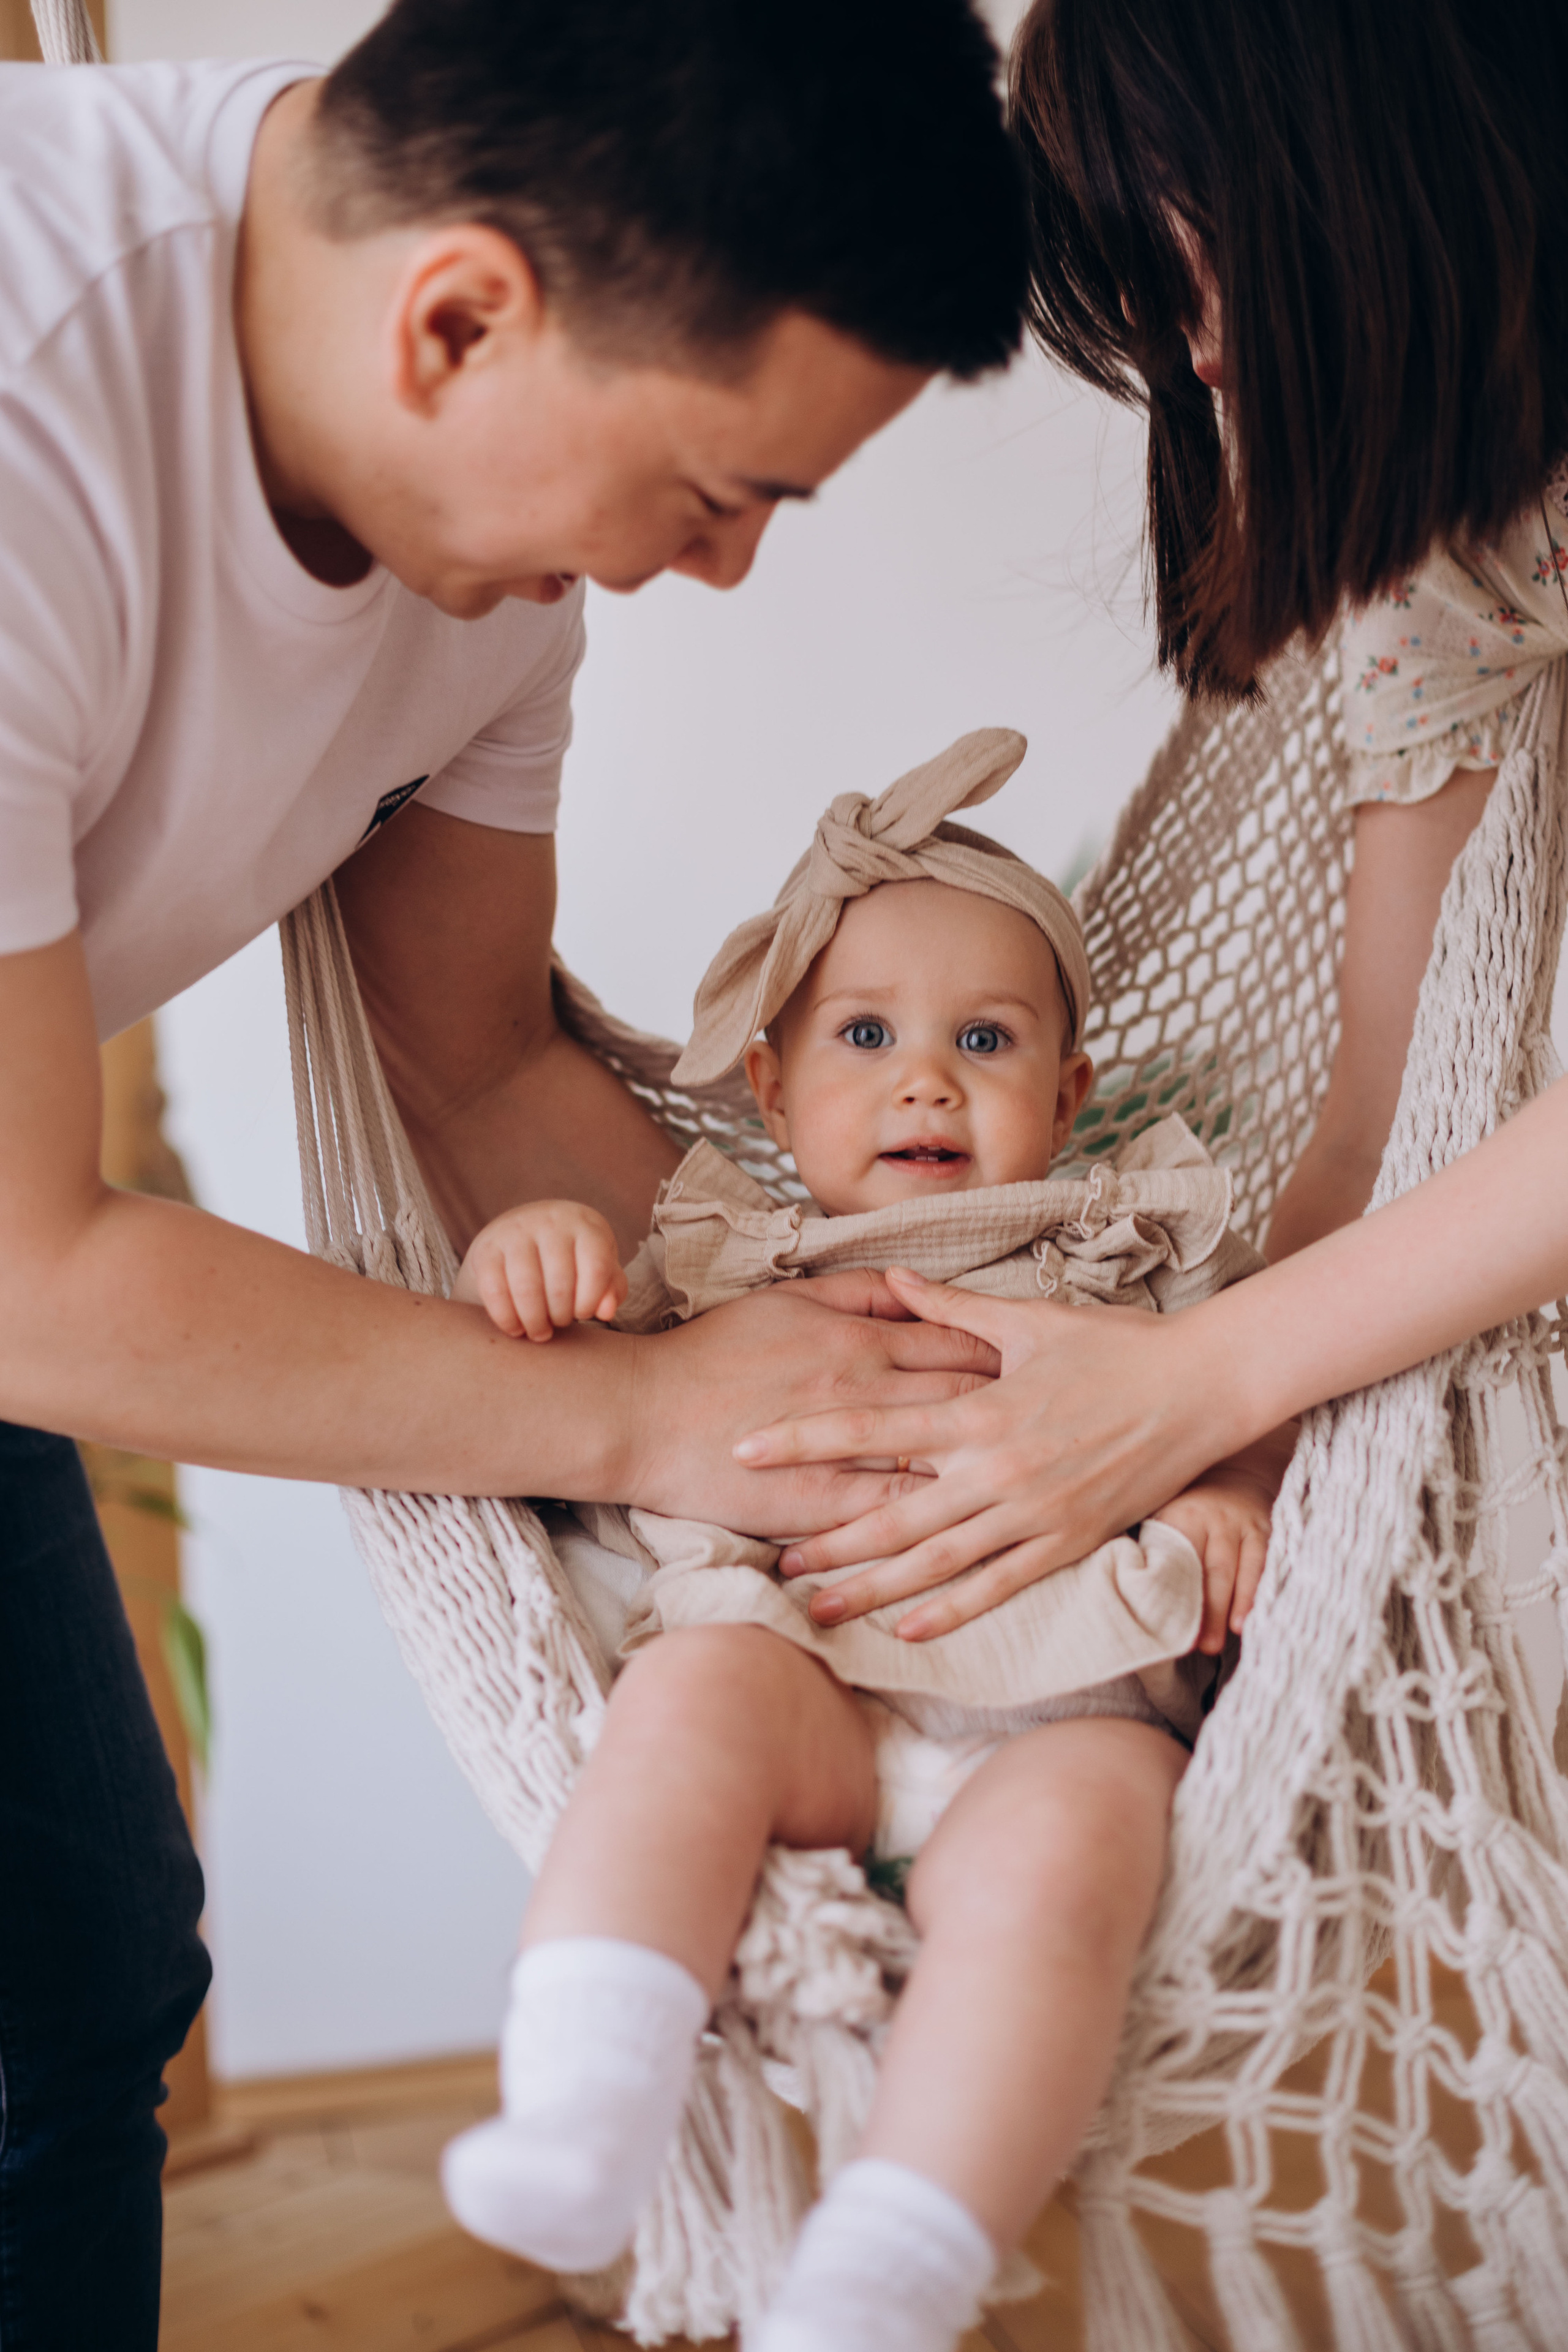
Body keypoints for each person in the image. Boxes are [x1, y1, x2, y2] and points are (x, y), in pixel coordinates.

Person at [0, 2, 1028, 2339]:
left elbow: (472, 1072)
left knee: (70, 1989)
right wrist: (652, 1417)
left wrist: (885, 1353)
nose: (735, 571)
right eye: (715, 491)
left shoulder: (496, 583)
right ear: (461, 315)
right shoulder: (31, 406)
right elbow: (23, 1282)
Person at [433, 732, 1289, 2352]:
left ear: (1073, 1095)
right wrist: (539, 1243)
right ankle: (583, 2102)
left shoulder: (1127, 1244)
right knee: (683, 1706)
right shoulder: (724, 1248)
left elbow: (1248, 1384)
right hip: (809, 1689)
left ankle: (893, 2264)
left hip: (1064, 1716)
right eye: (868, 1035)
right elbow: (581, 1347)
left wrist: (1232, 1489)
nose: (925, 1078)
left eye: (985, 1039)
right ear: (770, 1083)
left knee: (1072, 1866)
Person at [733, 0, 1568, 1634]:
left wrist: (1195, 1381)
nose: (1188, 352)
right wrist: (1238, 1462)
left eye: (1186, 262)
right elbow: (1377, 1121)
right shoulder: (1447, 535)